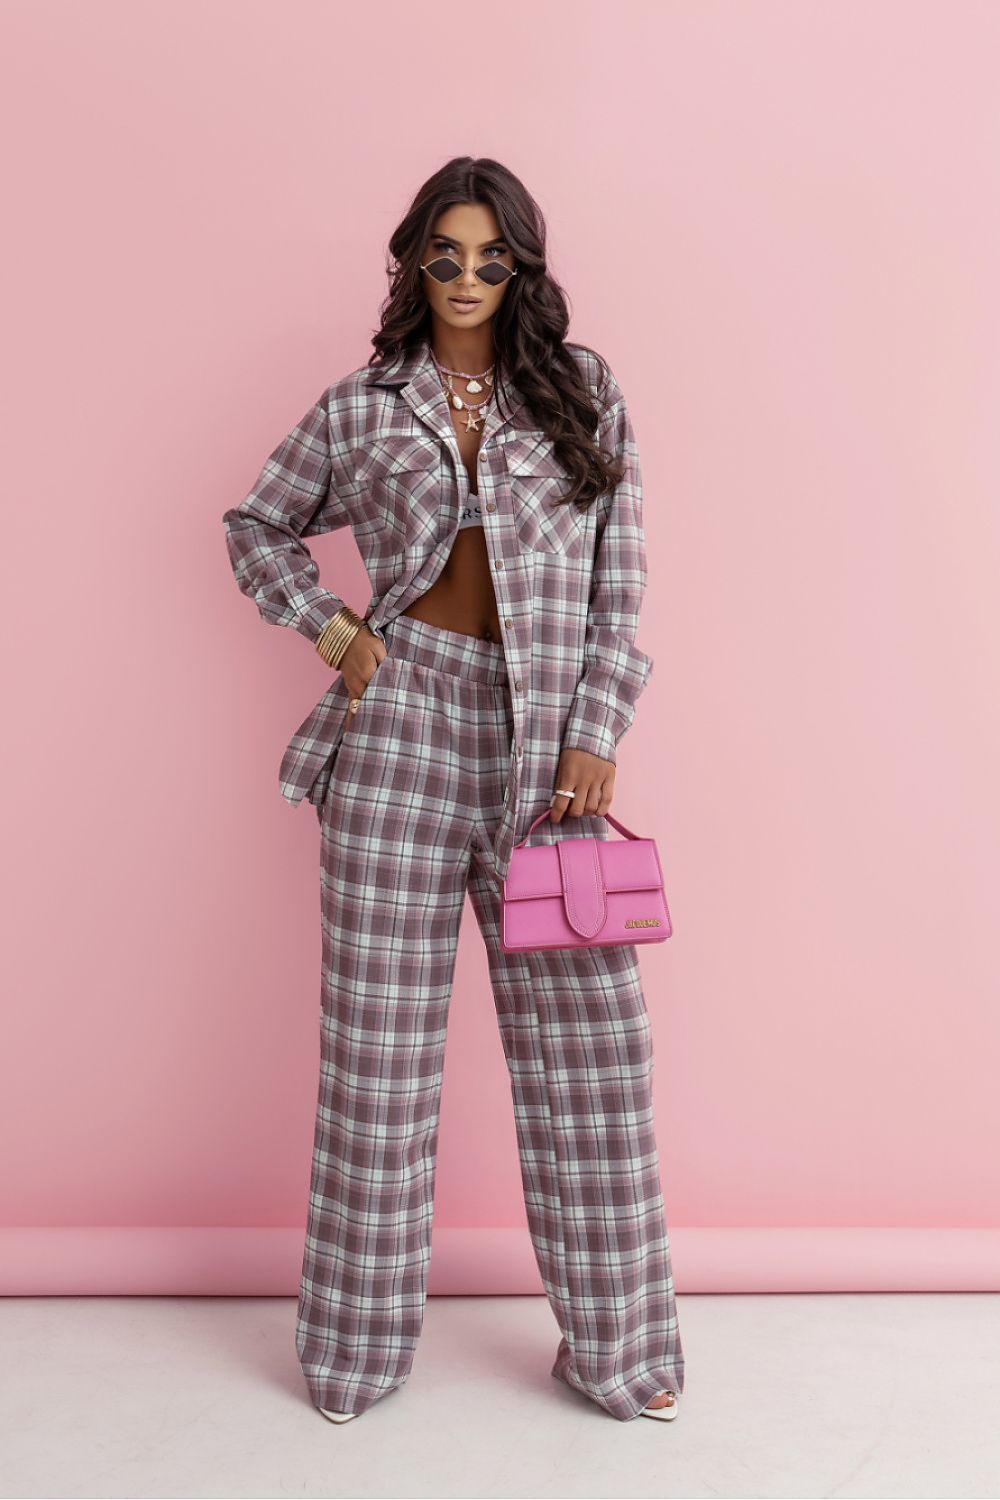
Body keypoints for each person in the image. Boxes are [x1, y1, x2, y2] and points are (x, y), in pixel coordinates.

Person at [221, 156, 684, 1424]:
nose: (468, 278)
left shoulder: (583, 392)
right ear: (412, 264)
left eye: (492, 257)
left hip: (549, 759)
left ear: (522, 265)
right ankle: (355, 1360)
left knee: (592, 1060)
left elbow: (619, 582)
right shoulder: (365, 405)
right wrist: (332, 632)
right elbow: (255, 526)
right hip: (401, 730)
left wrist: (597, 728)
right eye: (445, 256)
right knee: (378, 1062)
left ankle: (623, 1357)